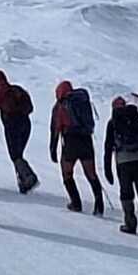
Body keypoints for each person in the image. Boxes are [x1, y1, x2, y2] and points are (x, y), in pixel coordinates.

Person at [50, 80, 105, 215]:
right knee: (91, 174)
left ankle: (76, 203)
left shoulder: (60, 106)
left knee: (67, 173)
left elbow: (55, 129)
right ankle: (99, 205)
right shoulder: (83, 100)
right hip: (86, 141)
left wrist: (53, 148)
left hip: (70, 142)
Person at [103, 96, 138, 239]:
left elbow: (108, 147)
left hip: (123, 162)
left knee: (126, 193)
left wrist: (108, 170)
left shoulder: (113, 123)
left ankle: (130, 224)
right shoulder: (137, 120)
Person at [0, 70, 39, 193]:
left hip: (11, 125)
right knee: (18, 154)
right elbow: (30, 107)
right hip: (26, 123)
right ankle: (23, 182)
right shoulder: (17, 89)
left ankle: (28, 177)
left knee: (15, 155)